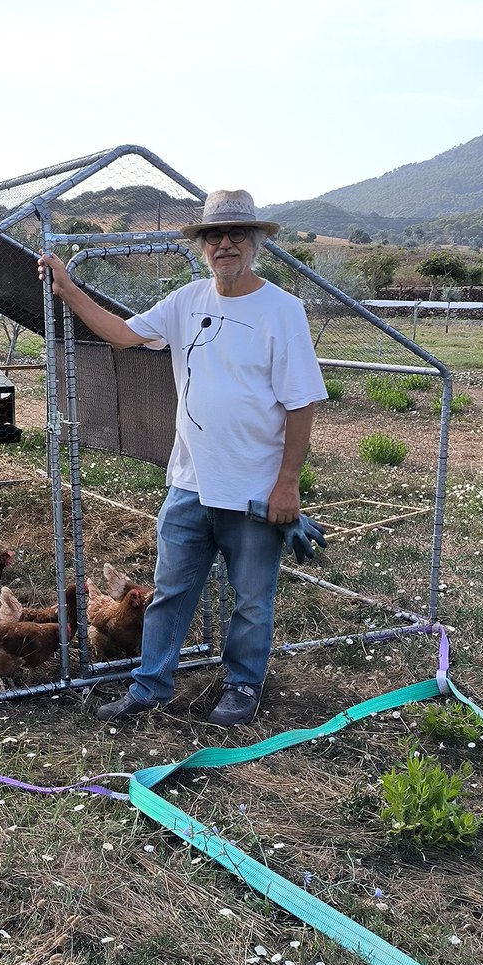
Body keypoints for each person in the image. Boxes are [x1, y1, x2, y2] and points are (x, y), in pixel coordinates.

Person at [38, 189, 328, 727]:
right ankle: (149, 688)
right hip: (190, 483)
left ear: (256, 242)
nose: (225, 244)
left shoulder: (281, 311)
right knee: (169, 594)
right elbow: (123, 335)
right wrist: (67, 288)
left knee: (251, 601)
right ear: (201, 246)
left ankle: (242, 686)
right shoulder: (186, 301)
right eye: (214, 235)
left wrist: (287, 484)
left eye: (237, 234)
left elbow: (301, 402)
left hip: (254, 489)